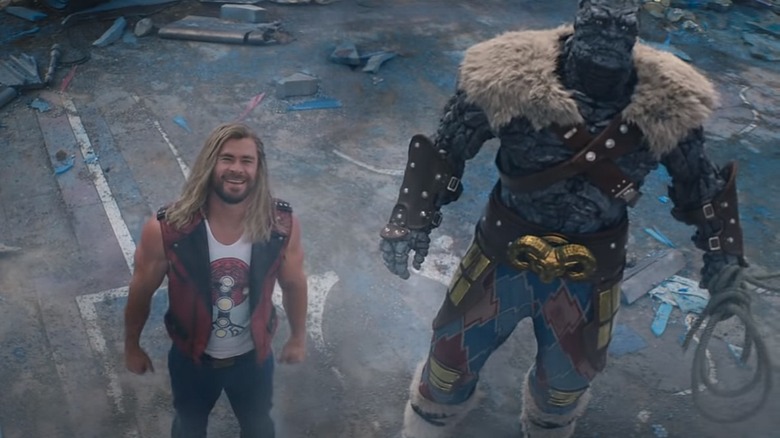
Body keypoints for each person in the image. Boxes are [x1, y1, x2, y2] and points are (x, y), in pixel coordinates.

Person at [379, 0, 755, 436]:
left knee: (563, 389)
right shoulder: (505, 76)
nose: (609, 30)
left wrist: (725, 260)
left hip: (589, 272)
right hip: (500, 256)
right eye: (600, 19)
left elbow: (701, 188)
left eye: (619, 22)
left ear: (633, 30)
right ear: (580, 18)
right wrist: (409, 220)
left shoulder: (670, 102)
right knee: (448, 368)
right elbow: (445, 151)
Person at [124, 122, 308, 438]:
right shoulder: (168, 228)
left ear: (258, 169)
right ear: (210, 164)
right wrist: (131, 346)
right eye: (227, 159)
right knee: (188, 427)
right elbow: (141, 289)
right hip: (191, 360)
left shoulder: (280, 225)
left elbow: (294, 283)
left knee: (259, 428)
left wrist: (298, 337)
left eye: (246, 160)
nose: (237, 169)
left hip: (253, 359)